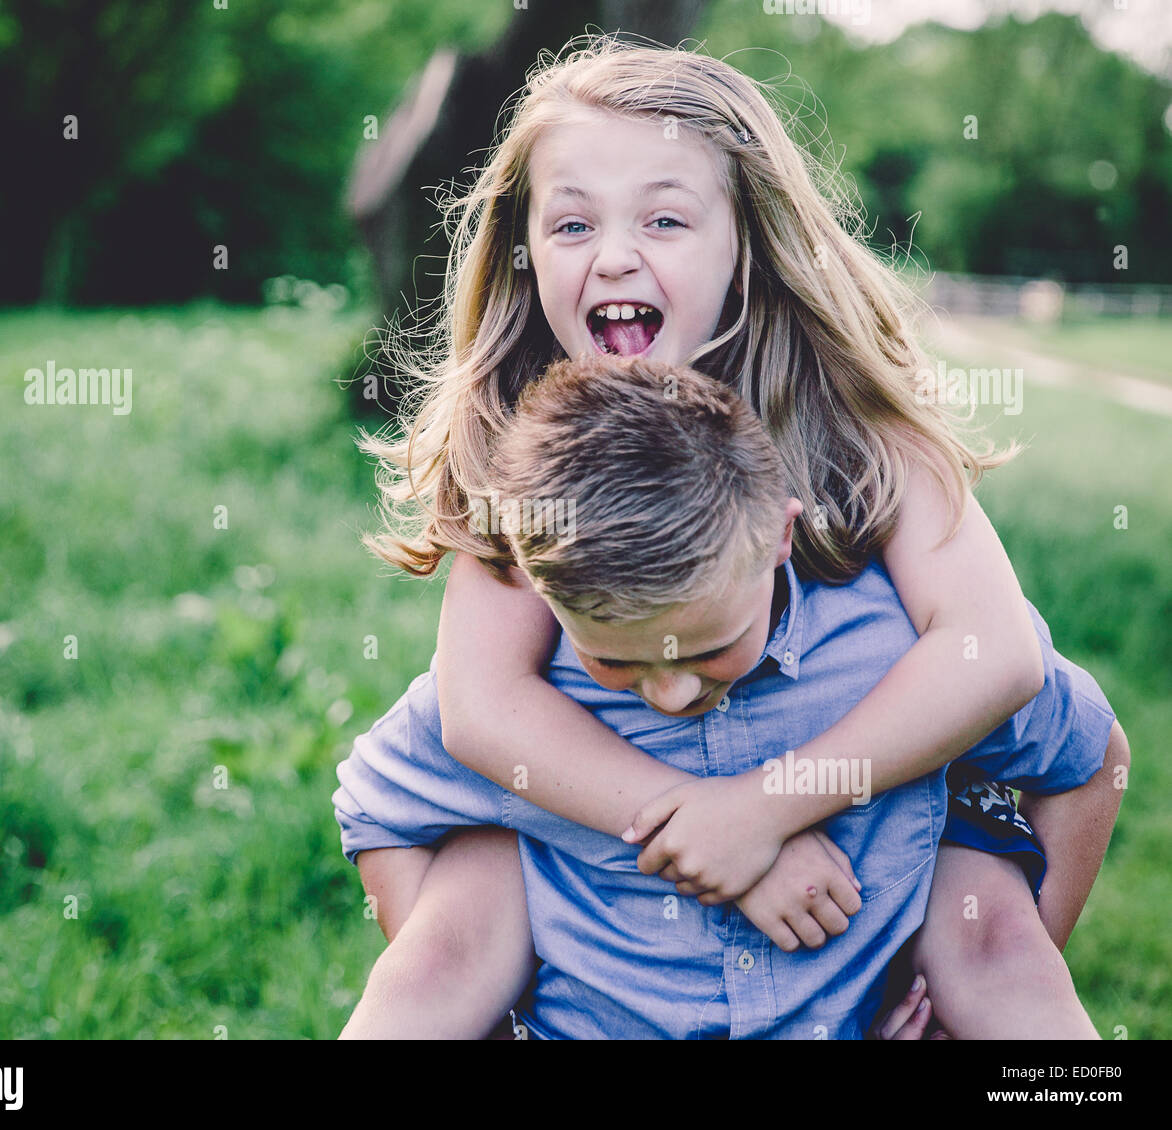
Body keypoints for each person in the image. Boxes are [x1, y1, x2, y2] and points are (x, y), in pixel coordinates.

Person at [348, 35, 1125, 1037]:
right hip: (610, 889)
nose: (614, 253)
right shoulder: (520, 460)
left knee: (994, 936)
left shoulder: (861, 430)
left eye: (664, 217)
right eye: (572, 220)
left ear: (745, 241)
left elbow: (993, 653)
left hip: (873, 848)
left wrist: (765, 805)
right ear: (526, 247)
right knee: (459, 917)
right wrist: (705, 825)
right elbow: (482, 707)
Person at [335, 356, 1125, 1040]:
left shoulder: (884, 652)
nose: (671, 691)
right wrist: (475, 980)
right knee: (446, 937)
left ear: (782, 537)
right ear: (541, 592)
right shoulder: (528, 702)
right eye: (615, 662)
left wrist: (980, 984)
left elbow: (1090, 755)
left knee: (1003, 950)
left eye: (711, 648)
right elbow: (376, 804)